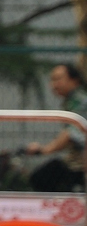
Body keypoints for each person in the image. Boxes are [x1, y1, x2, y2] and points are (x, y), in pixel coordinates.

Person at [23, 63, 87, 192]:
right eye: (52, 80)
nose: (54, 84)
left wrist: (44, 150)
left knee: (42, 178)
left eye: (58, 79)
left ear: (74, 80)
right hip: (75, 162)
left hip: (80, 165)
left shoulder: (80, 101)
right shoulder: (70, 101)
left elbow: (70, 133)